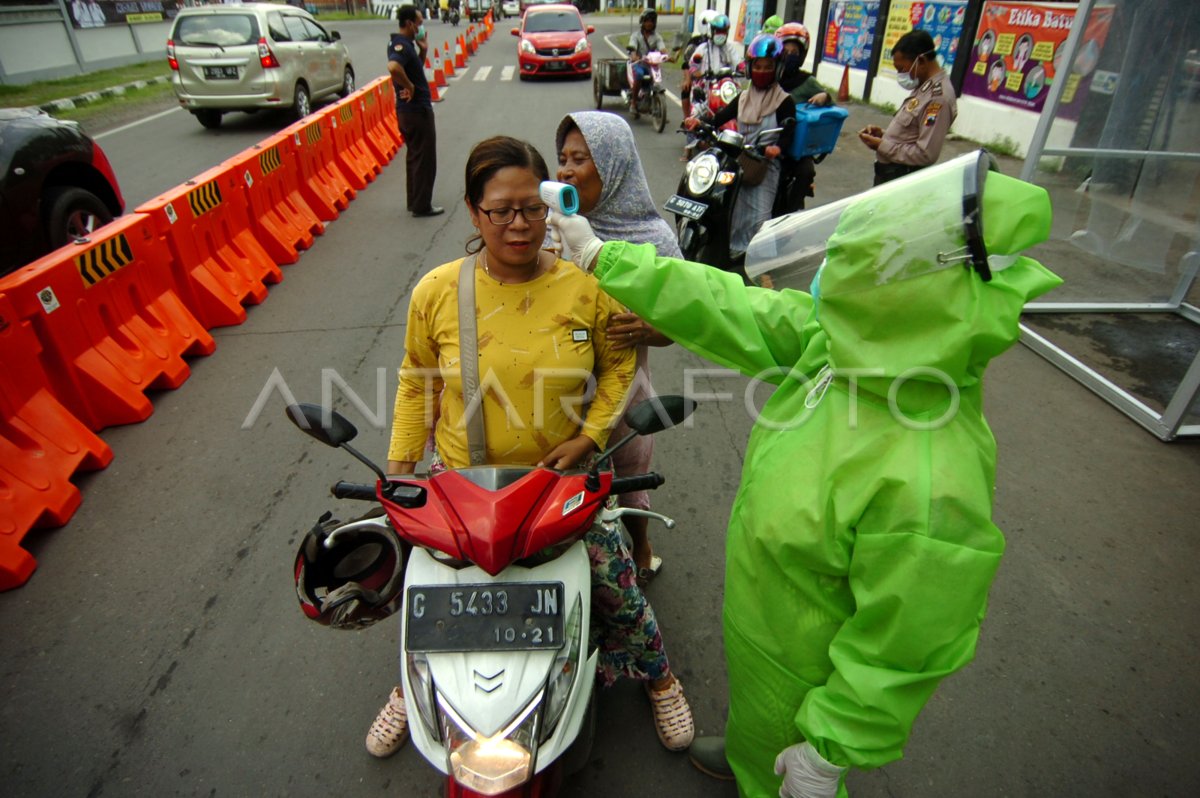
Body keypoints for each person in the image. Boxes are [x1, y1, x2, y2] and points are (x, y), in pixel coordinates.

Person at [547, 158, 1063, 798]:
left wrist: (830, 749)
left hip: (808, 674)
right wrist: (607, 260)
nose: (829, 282)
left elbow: (904, 647)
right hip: (763, 631)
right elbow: (731, 307)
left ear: (909, 296)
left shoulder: (932, 474)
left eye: (858, 269)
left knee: (783, 770)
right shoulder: (850, 349)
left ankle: (772, 770)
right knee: (756, 736)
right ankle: (744, 755)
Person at [365, 135, 695, 759]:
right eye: (500, 210)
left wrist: (589, 437)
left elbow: (619, 365)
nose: (518, 224)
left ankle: (660, 679)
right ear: (472, 211)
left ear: (551, 207)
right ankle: (413, 689)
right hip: (463, 486)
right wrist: (400, 470)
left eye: (532, 208)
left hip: (559, 489)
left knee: (616, 585)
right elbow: (417, 383)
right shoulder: (436, 291)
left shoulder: (584, 286)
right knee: (429, 593)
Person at [555, 111, 679, 582]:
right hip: (556, 392)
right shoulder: (549, 231)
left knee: (627, 479)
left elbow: (682, 325)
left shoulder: (655, 240)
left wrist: (648, 329)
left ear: (614, 164)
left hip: (626, 394)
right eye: (562, 158)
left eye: (580, 158)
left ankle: (642, 548)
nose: (565, 170)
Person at [685, 34, 796, 257]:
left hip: (765, 164)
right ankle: (728, 254)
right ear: (750, 68)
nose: (762, 71)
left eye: (768, 66)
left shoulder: (784, 100)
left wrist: (777, 148)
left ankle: (763, 268)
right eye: (758, 66)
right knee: (726, 207)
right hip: (740, 160)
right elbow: (720, 117)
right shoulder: (743, 97)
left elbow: (788, 129)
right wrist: (699, 122)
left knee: (759, 219)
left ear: (777, 69)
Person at [858, 29, 957, 186]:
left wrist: (882, 145)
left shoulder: (938, 99)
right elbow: (911, 133)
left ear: (922, 61)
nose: (901, 76)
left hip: (901, 179)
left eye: (903, 70)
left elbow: (925, 154)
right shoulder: (924, 86)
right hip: (889, 175)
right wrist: (883, 135)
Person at [388, 6, 443, 217]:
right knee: (425, 159)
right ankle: (422, 206)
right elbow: (393, 67)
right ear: (409, 23)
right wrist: (409, 87)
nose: (421, 28)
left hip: (407, 112)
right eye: (419, 23)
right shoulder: (401, 45)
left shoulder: (403, 44)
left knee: (415, 157)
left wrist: (424, 50)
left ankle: (415, 201)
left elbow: (413, 68)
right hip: (416, 110)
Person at [775, 22, 833, 216]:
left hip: (797, 146)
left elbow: (827, 97)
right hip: (770, 140)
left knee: (806, 171)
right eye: (786, 50)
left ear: (802, 54)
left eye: (795, 51)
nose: (790, 55)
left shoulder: (807, 81)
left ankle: (790, 216)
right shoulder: (770, 76)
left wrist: (824, 97)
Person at [627, 9, 668, 117]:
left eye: (652, 21)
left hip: (652, 65)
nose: (649, 23)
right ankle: (634, 103)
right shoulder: (636, 36)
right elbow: (632, 48)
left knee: (656, 80)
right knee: (639, 75)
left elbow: (662, 48)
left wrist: (666, 55)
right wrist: (634, 56)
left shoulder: (657, 37)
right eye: (647, 21)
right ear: (643, 22)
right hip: (638, 64)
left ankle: (659, 109)